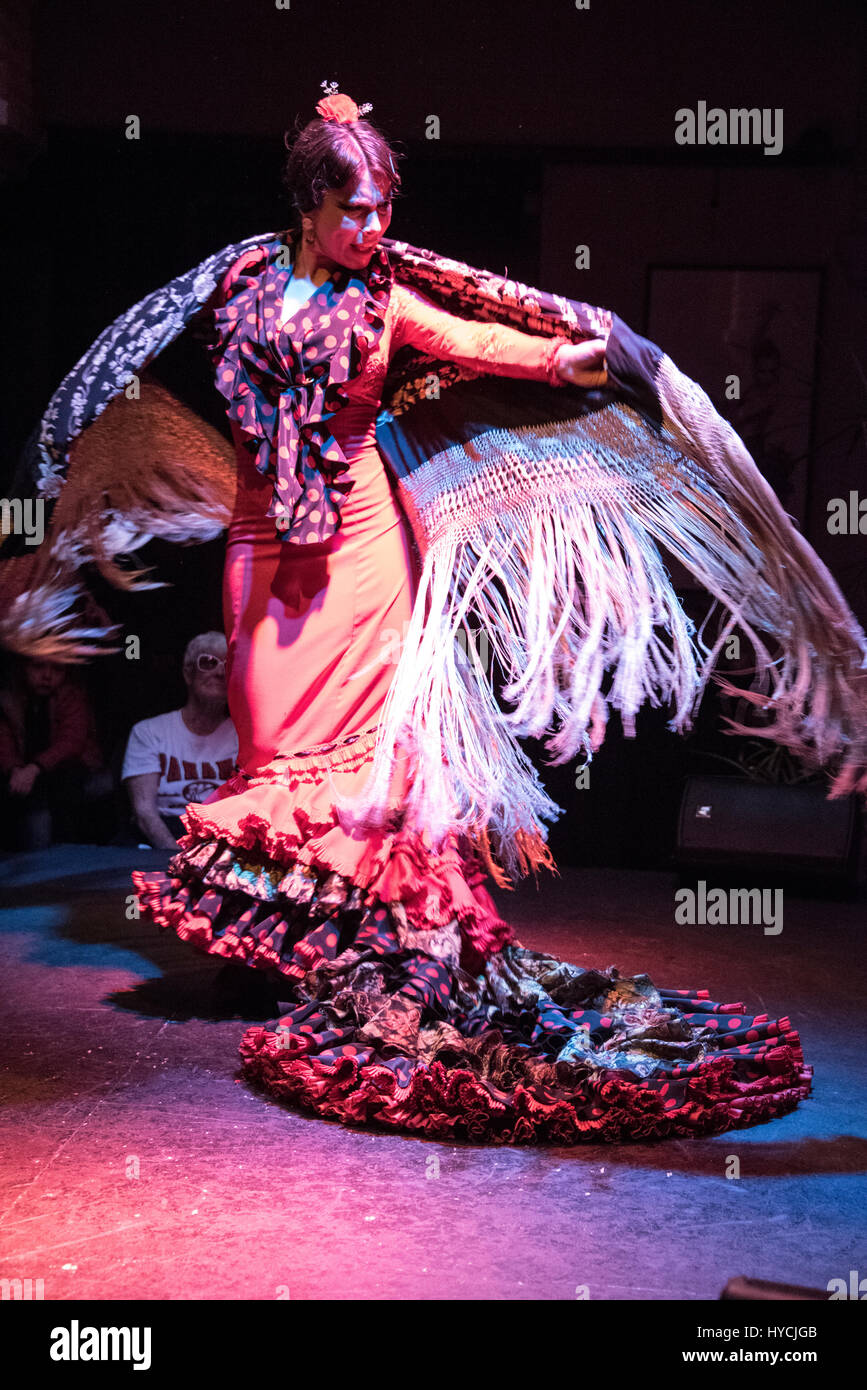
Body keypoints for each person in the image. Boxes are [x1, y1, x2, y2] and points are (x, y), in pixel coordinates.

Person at [124, 86, 817, 1143]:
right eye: (356, 211)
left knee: (366, 767)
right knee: (270, 751)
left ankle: (370, 966)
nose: (374, 231)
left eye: (386, 211)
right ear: (311, 204)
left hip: (363, 543)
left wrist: (584, 358)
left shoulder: (389, 302)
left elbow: (484, 342)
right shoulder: (239, 285)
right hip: (262, 543)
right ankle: (289, 952)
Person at [122, 632, 238, 849]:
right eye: (208, 662)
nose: (220, 672)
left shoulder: (243, 735)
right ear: (188, 674)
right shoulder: (148, 732)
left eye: (227, 664)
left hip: (223, 837)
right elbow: (144, 812)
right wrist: (176, 856)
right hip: (165, 834)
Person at [0, 656, 109, 850]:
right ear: (23, 667)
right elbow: (4, 739)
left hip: (71, 774)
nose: (47, 676)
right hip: (25, 778)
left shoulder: (71, 695)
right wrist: (14, 768)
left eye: (57, 669)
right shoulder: (9, 698)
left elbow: (72, 741)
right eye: (38, 665)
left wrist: (34, 769)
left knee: (49, 797)